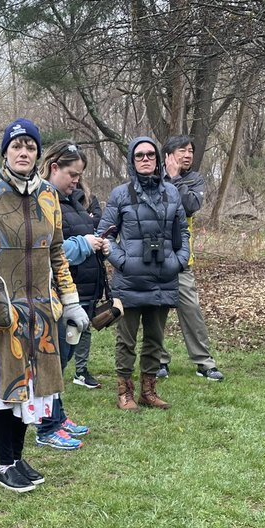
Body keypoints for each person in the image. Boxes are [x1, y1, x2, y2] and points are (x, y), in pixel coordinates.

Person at [0, 120, 88, 491]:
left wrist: (71, 300)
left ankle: (16, 457)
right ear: (5, 152)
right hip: (1, 308)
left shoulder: (48, 195)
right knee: (5, 386)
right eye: (17, 146)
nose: (23, 152)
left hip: (41, 310)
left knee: (31, 388)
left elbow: (58, 250)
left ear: (38, 155)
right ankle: (3, 464)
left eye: (30, 146)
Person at [98, 136, 189, 410]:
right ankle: (124, 392)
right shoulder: (120, 194)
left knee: (155, 339)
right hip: (130, 280)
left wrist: (180, 260)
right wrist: (121, 260)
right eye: (140, 155)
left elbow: (182, 231)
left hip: (164, 278)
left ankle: (148, 391)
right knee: (126, 339)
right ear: (132, 160)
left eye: (150, 154)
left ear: (158, 159)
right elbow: (103, 236)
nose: (146, 159)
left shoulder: (171, 193)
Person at [33, 141, 111, 448]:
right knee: (52, 362)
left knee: (61, 360)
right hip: (55, 296)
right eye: (72, 173)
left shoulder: (70, 200)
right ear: (54, 168)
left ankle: (57, 417)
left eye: (79, 175)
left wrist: (97, 245)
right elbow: (45, 250)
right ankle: (46, 427)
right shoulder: (41, 200)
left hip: (78, 293)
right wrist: (83, 245)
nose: (77, 180)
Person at [156, 134, 224, 381]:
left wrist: (174, 179)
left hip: (182, 261)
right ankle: (159, 361)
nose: (187, 155)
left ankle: (204, 362)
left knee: (191, 311)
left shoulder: (194, 180)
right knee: (157, 312)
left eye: (190, 152)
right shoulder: (152, 178)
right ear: (168, 155)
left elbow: (190, 206)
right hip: (155, 259)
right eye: (182, 151)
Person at [70, 177, 105, 389]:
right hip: (70, 272)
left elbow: (99, 224)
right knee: (65, 326)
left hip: (91, 271)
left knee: (85, 322)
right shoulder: (53, 198)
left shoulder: (91, 198)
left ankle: (81, 370)